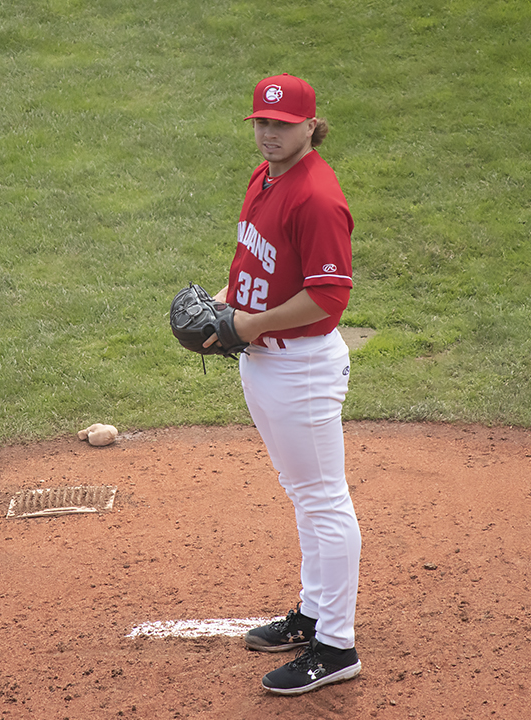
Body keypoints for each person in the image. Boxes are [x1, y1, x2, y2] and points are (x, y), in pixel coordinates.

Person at [205, 73, 362, 695]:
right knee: (303, 495)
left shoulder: (317, 197)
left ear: (309, 126)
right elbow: (252, 256)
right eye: (261, 124)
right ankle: (313, 613)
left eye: (282, 124)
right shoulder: (264, 177)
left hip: (300, 367)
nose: (269, 134)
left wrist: (246, 324)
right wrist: (224, 303)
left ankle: (336, 645)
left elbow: (328, 294)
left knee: (324, 500)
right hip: (265, 360)